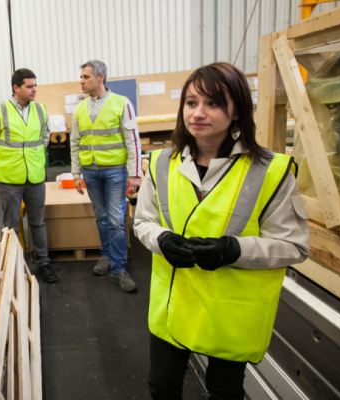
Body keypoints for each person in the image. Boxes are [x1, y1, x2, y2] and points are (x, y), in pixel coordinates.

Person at [132, 62, 310, 400]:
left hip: (230, 310)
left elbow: (294, 246)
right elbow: (143, 222)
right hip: (173, 303)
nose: (198, 113)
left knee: (224, 391)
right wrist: (163, 240)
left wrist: (234, 250)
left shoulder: (270, 171)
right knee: (163, 386)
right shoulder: (160, 164)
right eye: (191, 102)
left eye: (213, 103)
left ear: (238, 112)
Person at [70, 60, 142, 292]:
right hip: (90, 172)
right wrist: (76, 173)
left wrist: (134, 174)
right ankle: (108, 256)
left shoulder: (122, 103)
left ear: (101, 77)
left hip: (115, 172)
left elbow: (133, 141)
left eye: (86, 77)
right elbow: (74, 144)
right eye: (81, 77)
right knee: (101, 218)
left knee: (115, 221)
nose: (81, 81)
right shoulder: (79, 109)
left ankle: (119, 268)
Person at [0, 68, 54, 282]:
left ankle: (43, 262)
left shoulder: (41, 110)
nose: (34, 90)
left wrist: (33, 156)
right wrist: (8, 163)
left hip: (35, 177)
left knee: (37, 222)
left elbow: (45, 137)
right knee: (11, 225)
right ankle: (14, 264)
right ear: (16, 88)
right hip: (9, 180)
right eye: (29, 86)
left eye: (35, 86)